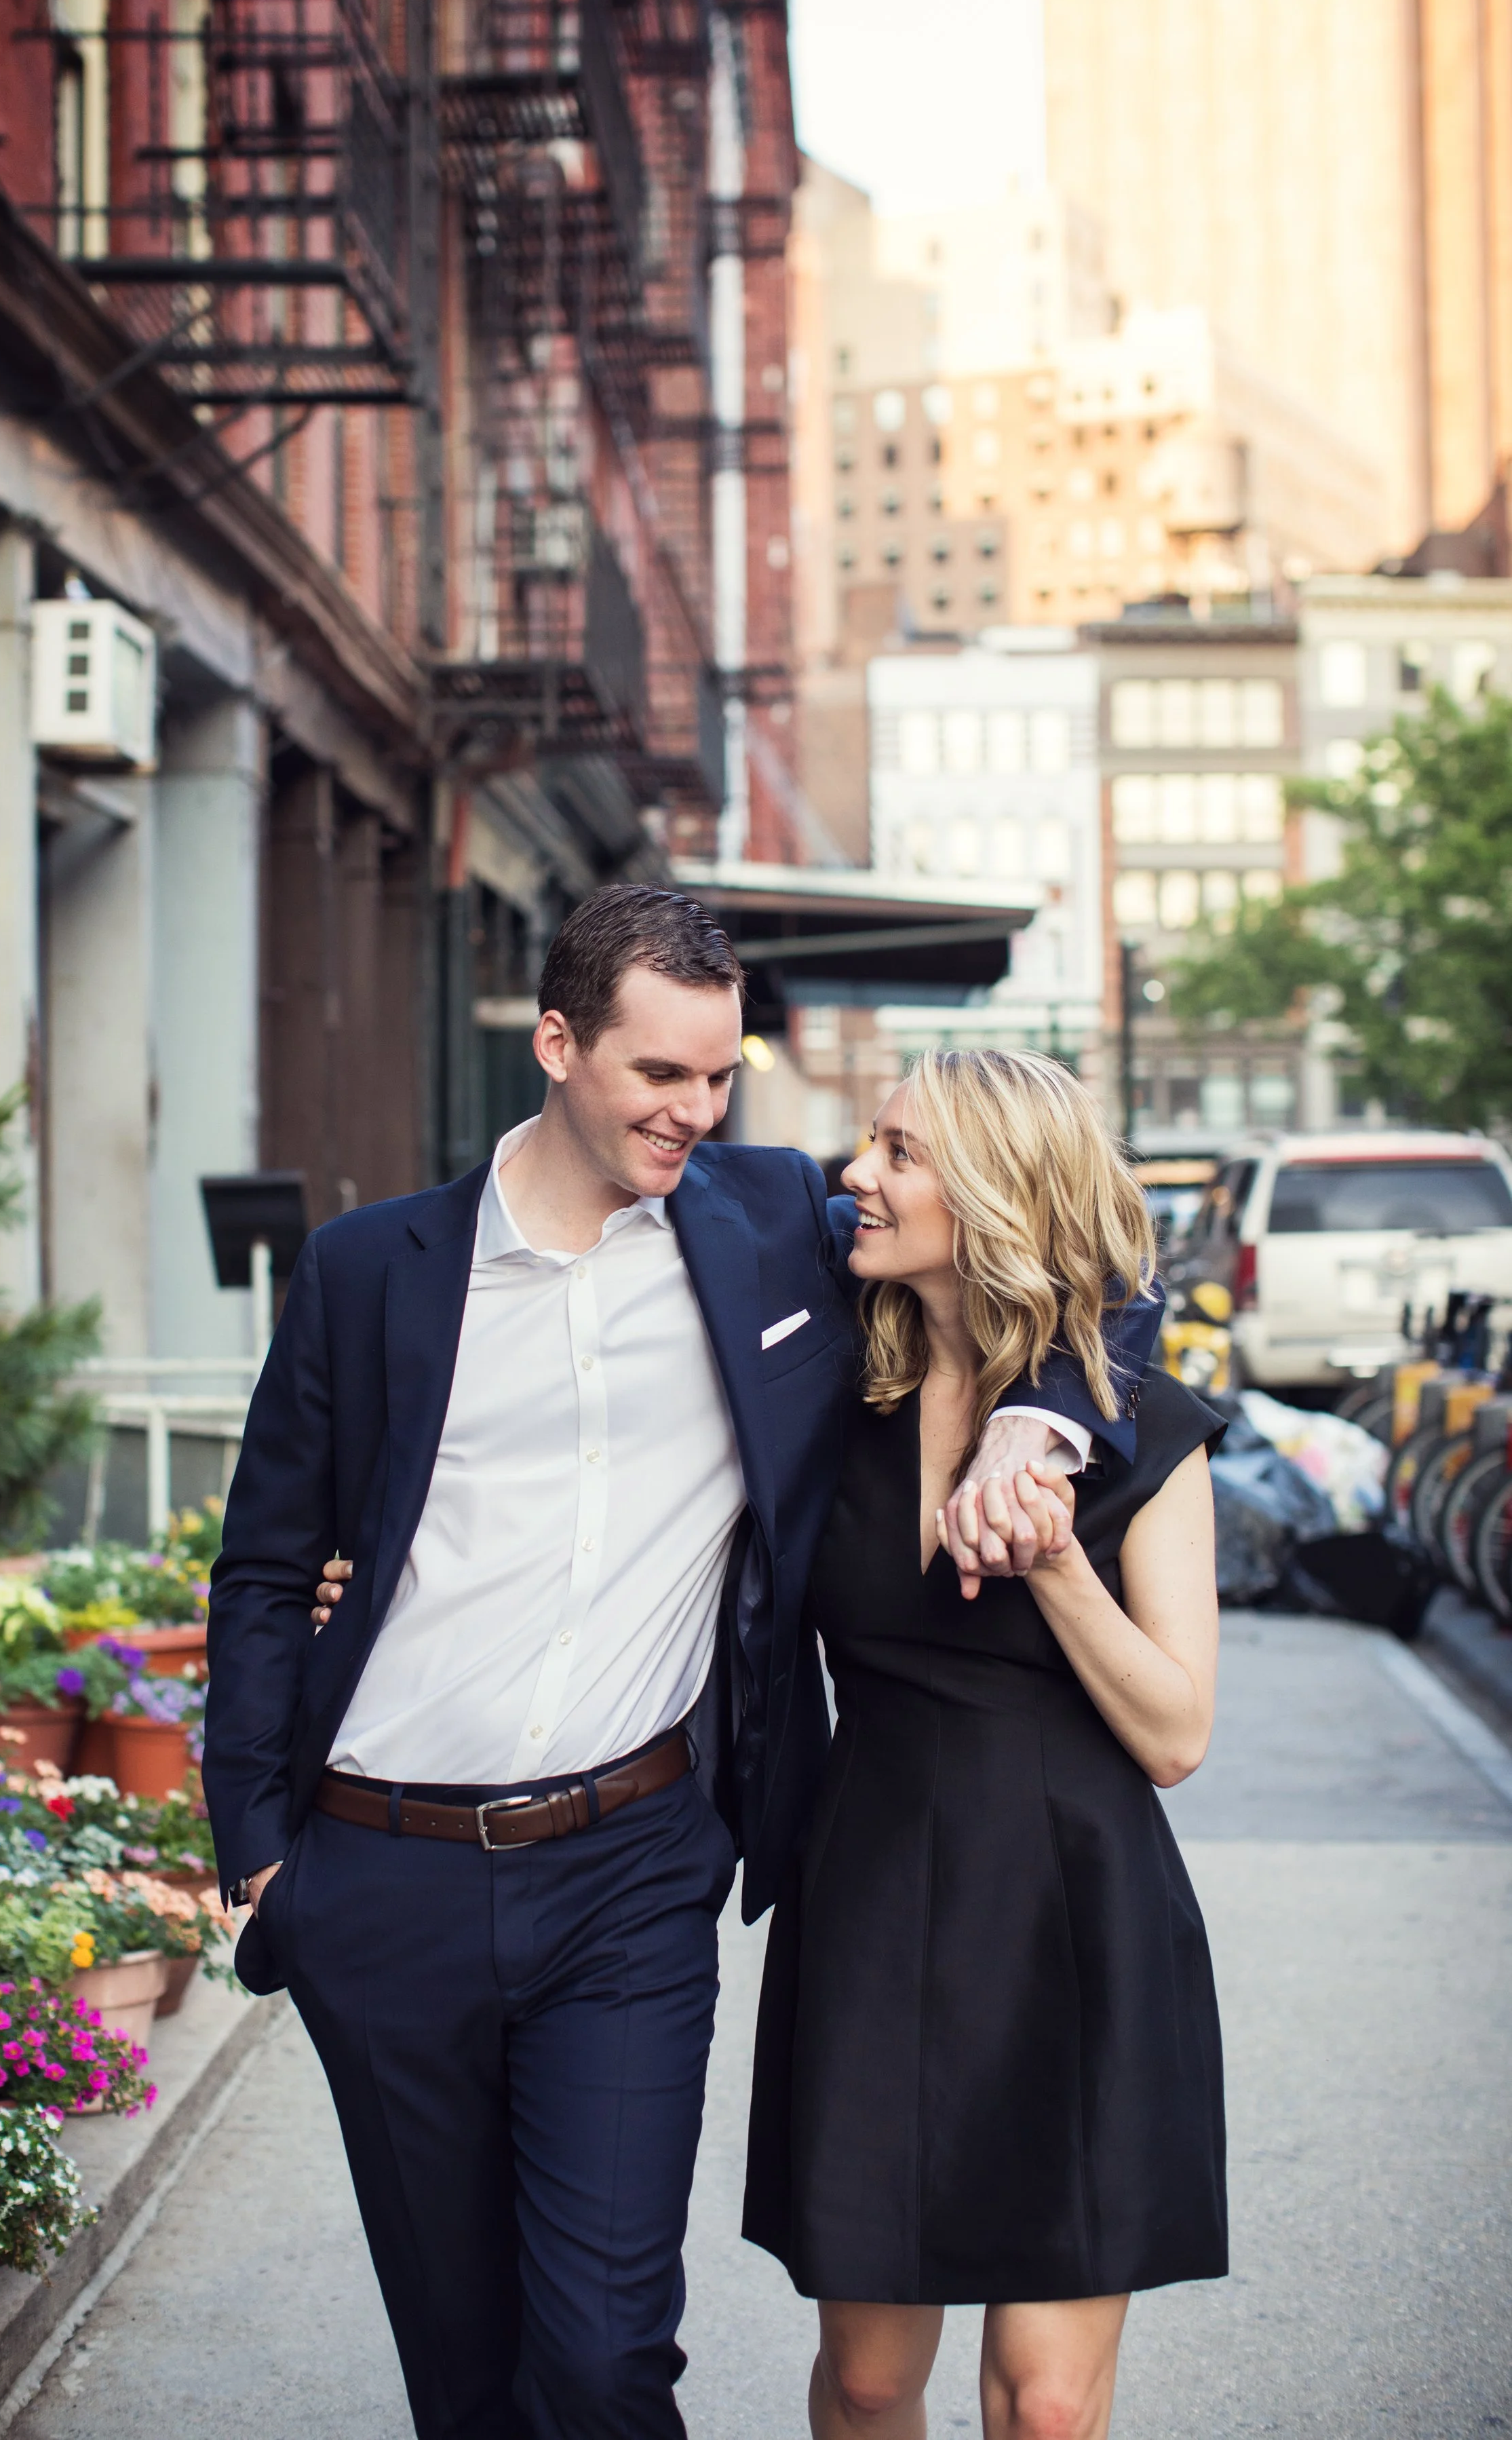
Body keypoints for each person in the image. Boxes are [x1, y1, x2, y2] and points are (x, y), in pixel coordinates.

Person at [202, 885, 1163, 2440]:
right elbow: (261, 1571)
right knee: (464, 2376)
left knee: (600, 2360)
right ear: (559, 1042)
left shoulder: (772, 1223)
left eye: (718, 1077)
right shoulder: (369, 1272)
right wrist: (256, 1855)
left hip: (633, 1873)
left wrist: (1027, 1426)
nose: (694, 1112)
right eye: (661, 1077)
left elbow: (1082, 1256)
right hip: (379, 1875)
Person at [743, 1046, 1227, 2440]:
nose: (856, 1179)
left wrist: (1057, 1564)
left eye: (897, 1153)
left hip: (1076, 1916)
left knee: (1045, 2406)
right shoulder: (834, 1399)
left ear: (999, 1191)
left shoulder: (1136, 1432)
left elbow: (1176, 1732)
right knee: (870, 2380)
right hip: (869, 1901)